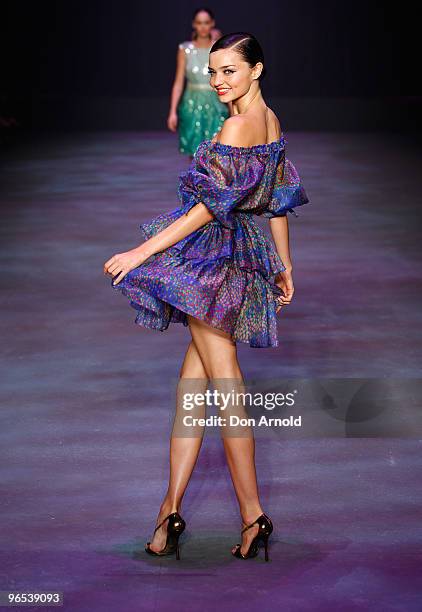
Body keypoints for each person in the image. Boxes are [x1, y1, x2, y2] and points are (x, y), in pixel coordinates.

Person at [104, 32, 309, 561]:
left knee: (226, 388)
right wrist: (284, 264)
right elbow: (279, 203)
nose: (218, 81)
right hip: (238, 256)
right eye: (213, 71)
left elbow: (205, 209)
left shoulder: (238, 126)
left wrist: (140, 252)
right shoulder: (272, 121)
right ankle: (168, 511)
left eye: (230, 71)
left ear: (256, 70)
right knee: (192, 392)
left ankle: (252, 515)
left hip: (209, 262)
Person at [167, 7, 229, 158]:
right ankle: (198, 182)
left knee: (217, 151)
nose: (203, 26)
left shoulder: (219, 48)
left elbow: (227, 79)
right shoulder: (185, 49)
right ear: (194, 24)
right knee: (195, 153)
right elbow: (179, 81)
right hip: (191, 104)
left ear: (212, 23)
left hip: (215, 103)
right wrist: (172, 111)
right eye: (199, 22)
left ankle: (213, 181)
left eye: (206, 22)